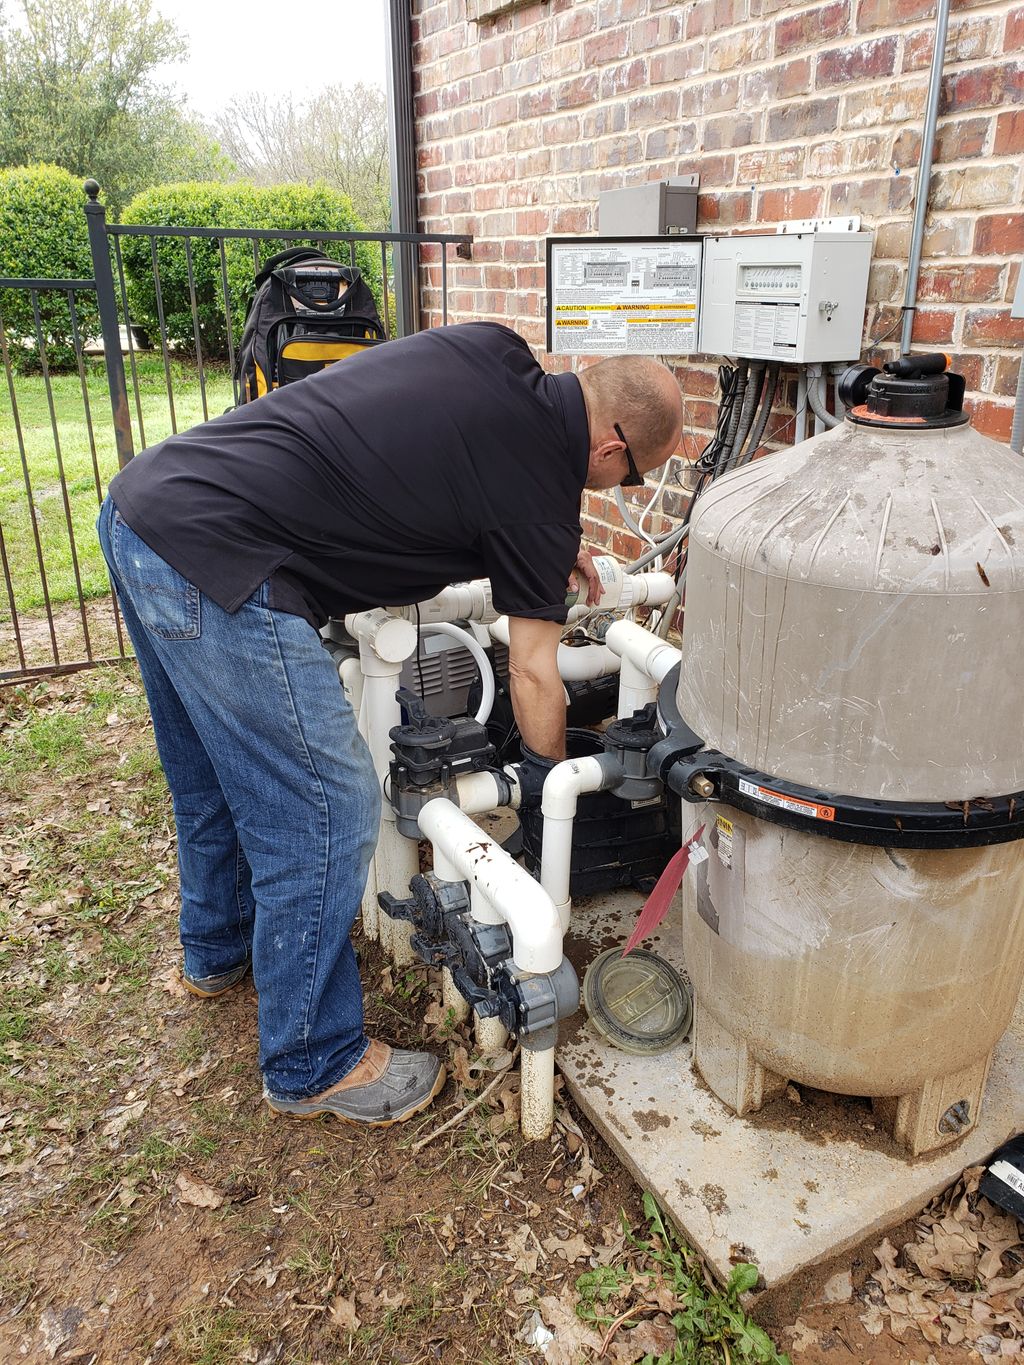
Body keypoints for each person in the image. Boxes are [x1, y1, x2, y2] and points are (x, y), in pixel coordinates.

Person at [97, 321, 682, 1128]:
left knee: (206, 772)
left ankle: (217, 952)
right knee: (325, 806)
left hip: (145, 508)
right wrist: (549, 784)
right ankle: (313, 1061)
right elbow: (535, 669)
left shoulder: (495, 349)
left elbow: (447, 463)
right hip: (225, 561)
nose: (615, 492)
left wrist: (547, 544)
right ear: (611, 449)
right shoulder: (539, 487)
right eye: (627, 480)